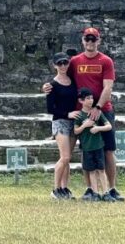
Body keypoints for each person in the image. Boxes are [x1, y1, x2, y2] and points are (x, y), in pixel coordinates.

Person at [43, 26, 125, 201]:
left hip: (103, 110)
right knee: (86, 149)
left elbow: (108, 86)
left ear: (98, 41)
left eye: (93, 39)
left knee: (108, 151)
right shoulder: (75, 61)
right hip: (81, 113)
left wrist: (98, 107)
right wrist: (47, 86)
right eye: (87, 39)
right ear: (82, 41)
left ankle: (111, 188)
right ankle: (90, 188)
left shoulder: (106, 61)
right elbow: (62, 76)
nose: (90, 42)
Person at [44, 53, 78, 200]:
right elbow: (50, 108)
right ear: (55, 66)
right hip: (60, 121)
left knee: (67, 158)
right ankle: (56, 188)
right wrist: (67, 114)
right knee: (64, 157)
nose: (63, 66)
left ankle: (64, 188)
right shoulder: (52, 85)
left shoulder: (73, 81)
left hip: (73, 122)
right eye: (60, 63)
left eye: (65, 63)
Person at [73, 89, 113, 201]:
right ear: (81, 101)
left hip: (98, 146)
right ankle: (95, 193)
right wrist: (85, 125)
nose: (91, 101)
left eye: (91, 98)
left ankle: (105, 193)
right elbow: (76, 131)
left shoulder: (97, 113)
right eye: (87, 98)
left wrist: (97, 128)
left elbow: (108, 126)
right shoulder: (79, 116)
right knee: (91, 171)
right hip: (87, 147)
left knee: (101, 169)